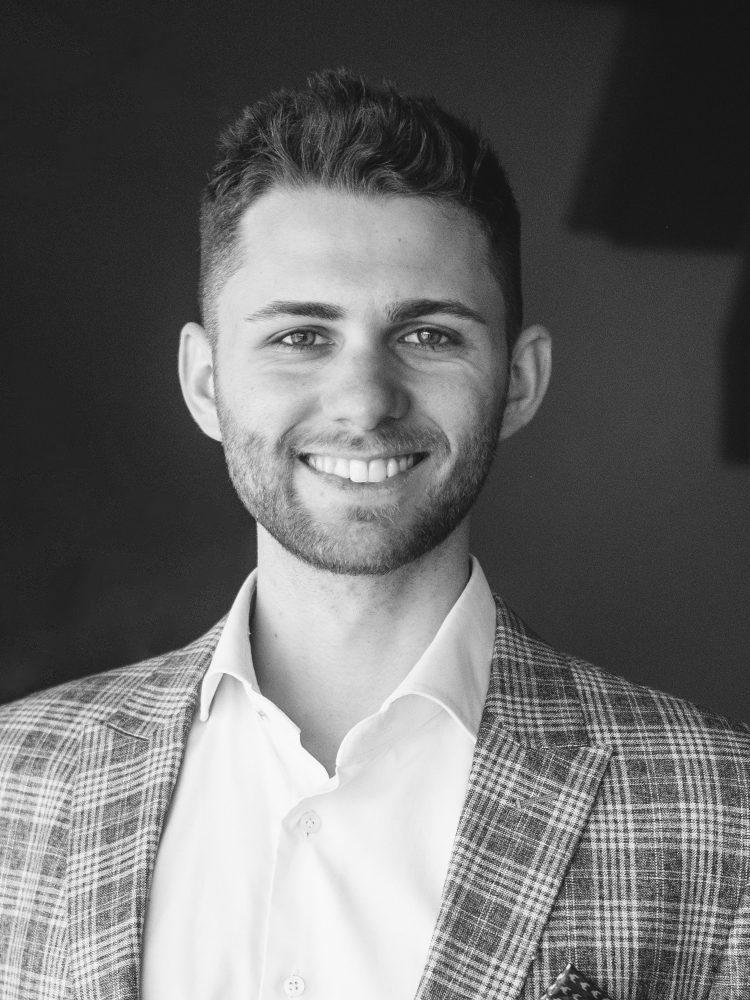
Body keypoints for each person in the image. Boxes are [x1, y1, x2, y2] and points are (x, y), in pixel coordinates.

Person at [0, 68, 748, 1000]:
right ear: (204, 382)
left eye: (430, 335)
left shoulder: (722, 811)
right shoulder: (16, 780)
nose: (363, 401)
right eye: (300, 336)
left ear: (518, 381)